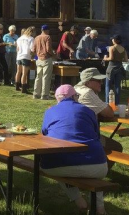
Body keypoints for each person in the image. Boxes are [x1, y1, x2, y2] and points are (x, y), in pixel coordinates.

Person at [42, 85, 109, 215]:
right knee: (92, 173)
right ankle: (100, 208)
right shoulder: (88, 111)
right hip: (97, 165)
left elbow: (44, 135)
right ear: (74, 97)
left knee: (54, 161)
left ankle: (78, 199)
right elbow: (95, 134)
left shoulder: (50, 112)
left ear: (58, 99)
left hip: (57, 166)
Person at [74, 68, 123, 154]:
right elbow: (109, 113)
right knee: (116, 147)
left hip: (74, 132)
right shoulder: (87, 92)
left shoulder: (76, 88)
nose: (101, 83)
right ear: (88, 82)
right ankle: (103, 167)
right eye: (98, 81)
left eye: (101, 80)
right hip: (84, 136)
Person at [103, 34, 128, 105]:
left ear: (115, 40)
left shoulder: (111, 48)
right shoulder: (123, 49)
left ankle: (107, 102)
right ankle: (117, 103)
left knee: (108, 85)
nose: (112, 40)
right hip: (120, 67)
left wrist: (105, 58)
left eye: (113, 39)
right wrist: (120, 58)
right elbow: (126, 60)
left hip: (111, 68)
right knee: (117, 85)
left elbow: (111, 58)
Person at [34, 25, 55, 100]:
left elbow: (33, 49)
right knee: (46, 77)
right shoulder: (47, 37)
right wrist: (54, 55)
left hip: (38, 59)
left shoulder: (36, 37)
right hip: (46, 58)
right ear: (47, 30)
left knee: (38, 77)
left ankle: (36, 94)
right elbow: (48, 49)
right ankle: (45, 95)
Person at [15, 26, 35, 93]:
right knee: (24, 73)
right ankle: (24, 88)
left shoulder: (19, 38)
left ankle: (17, 86)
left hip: (19, 56)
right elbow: (32, 49)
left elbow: (17, 48)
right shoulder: (31, 38)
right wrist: (33, 54)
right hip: (26, 56)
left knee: (18, 72)